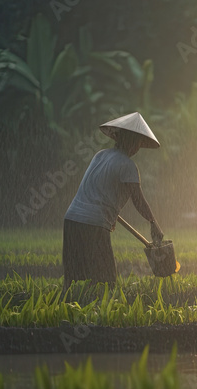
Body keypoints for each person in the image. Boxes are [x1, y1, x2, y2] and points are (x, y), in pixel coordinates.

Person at [62, 112, 165, 293]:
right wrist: (153, 223)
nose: (138, 148)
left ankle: (72, 315)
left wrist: (110, 216)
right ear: (130, 141)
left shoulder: (100, 155)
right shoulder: (127, 165)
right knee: (105, 280)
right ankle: (100, 319)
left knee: (75, 279)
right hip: (93, 224)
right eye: (138, 142)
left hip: (72, 219)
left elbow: (97, 190)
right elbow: (138, 200)